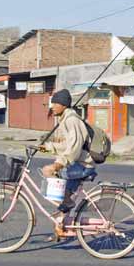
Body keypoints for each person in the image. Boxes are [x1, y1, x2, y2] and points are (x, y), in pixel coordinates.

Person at [39, 89, 96, 239]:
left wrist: (57, 165)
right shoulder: (65, 119)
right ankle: (62, 219)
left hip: (83, 165)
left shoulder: (72, 120)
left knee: (62, 175)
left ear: (63, 105)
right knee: (64, 191)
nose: (52, 107)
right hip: (77, 163)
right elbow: (66, 145)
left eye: (55, 104)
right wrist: (49, 147)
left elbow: (73, 150)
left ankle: (62, 216)